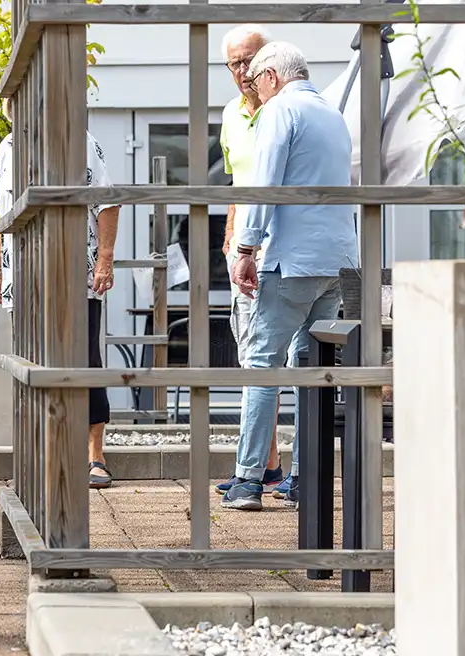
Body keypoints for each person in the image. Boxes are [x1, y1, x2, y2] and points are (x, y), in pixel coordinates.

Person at [222, 41, 356, 511]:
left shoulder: (282, 111)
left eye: (255, 81)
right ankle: (303, 478)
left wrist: (244, 248)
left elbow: (265, 186)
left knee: (261, 365)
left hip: (290, 261)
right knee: (308, 371)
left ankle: (247, 480)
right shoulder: (333, 115)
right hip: (337, 261)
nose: (253, 91)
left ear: (273, 77)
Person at [0, 99, 120, 488]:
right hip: (23, 273)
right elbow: (4, 211)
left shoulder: (78, 141)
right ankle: (42, 451)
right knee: (29, 360)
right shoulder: (7, 147)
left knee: (84, 358)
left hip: (74, 269)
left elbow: (108, 200)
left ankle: (94, 453)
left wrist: (105, 259)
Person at [214, 24, 287, 500]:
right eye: (235, 63)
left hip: (285, 252)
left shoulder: (287, 110)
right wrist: (230, 239)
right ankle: (272, 467)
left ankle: (263, 473)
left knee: (281, 362)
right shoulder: (229, 115)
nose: (243, 72)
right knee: (252, 360)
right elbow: (237, 186)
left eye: (250, 61)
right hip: (242, 253)